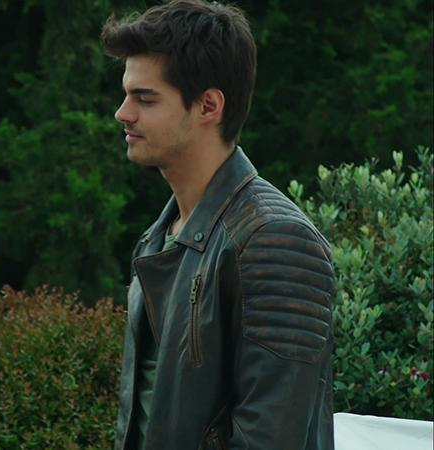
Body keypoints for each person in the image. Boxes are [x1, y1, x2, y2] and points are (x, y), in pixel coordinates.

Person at [101, 1, 335, 449]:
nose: (123, 113)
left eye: (145, 99)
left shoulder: (276, 241)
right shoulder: (158, 238)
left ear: (208, 106)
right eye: (127, 94)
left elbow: (271, 438)